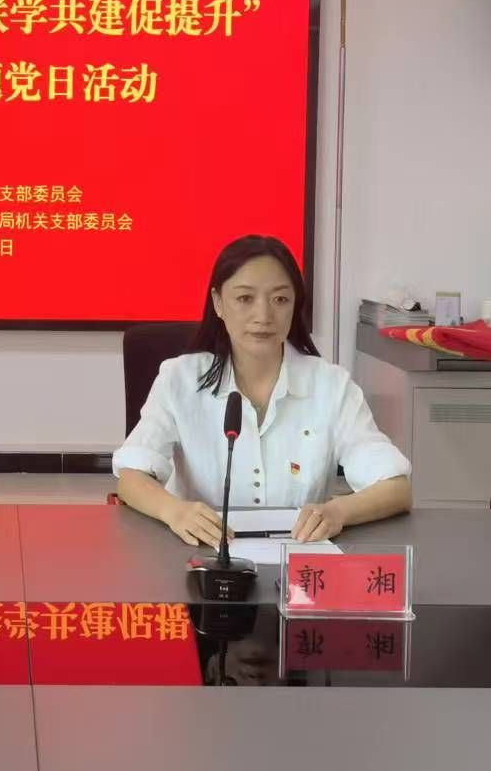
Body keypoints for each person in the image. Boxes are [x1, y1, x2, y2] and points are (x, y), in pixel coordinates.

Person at [113, 234, 411, 546]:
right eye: (245, 298)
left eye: (280, 300)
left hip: (298, 557)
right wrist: (174, 511)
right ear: (218, 303)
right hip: (200, 555)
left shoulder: (331, 386)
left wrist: (339, 511)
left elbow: (397, 488)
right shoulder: (179, 380)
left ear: (295, 306)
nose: (263, 316)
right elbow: (132, 476)